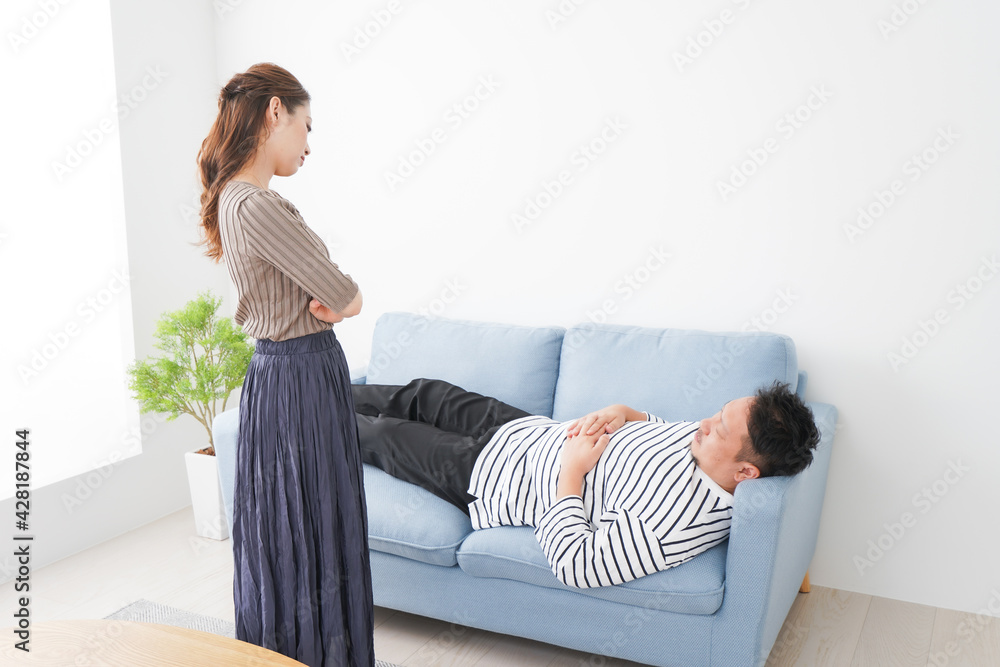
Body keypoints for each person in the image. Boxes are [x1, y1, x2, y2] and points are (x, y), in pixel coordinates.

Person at [195, 63, 373, 667]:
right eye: (306, 126)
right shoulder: (258, 206)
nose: (308, 145)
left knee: (290, 528)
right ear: (275, 111)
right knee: (313, 525)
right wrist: (342, 301)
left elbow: (331, 296)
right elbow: (345, 295)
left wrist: (335, 300)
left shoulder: (235, 200)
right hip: (301, 375)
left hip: (283, 375)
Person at [352, 377, 820, 589]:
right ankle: (312, 384)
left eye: (719, 428)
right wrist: (622, 412)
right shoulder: (706, 447)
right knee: (424, 393)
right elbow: (654, 425)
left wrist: (571, 472)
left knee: (382, 434)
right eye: (717, 413)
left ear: (746, 473)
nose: (703, 423)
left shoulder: (674, 525)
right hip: (524, 429)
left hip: (491, 475)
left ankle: (308, 419)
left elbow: (577, 565)